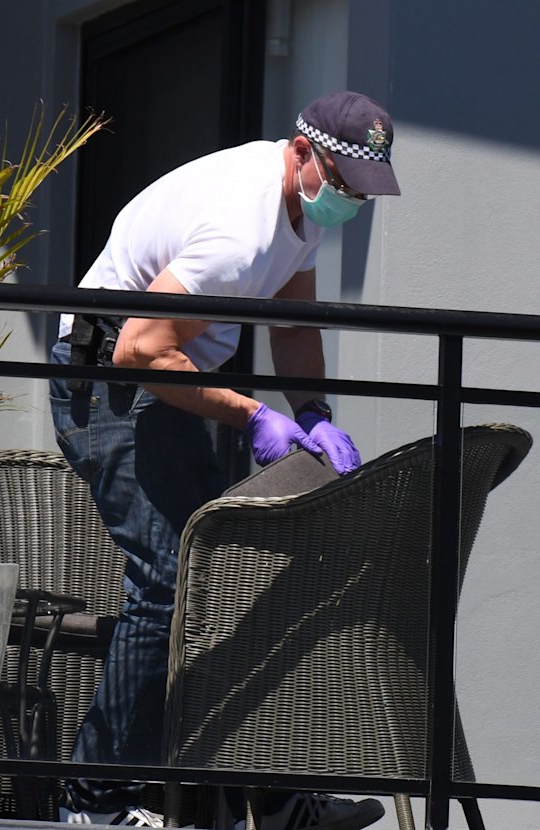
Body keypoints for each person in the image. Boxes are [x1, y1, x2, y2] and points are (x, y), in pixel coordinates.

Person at [50, 90, 400, 828]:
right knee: (172, 579)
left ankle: (268, 800)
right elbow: (140, 349)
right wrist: (254, 414)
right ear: (302, 151)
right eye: (344, 185)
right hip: (112, 374)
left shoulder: (297, 213)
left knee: (223, 577)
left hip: (164, 375)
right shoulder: (241, 227)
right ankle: (94, 803)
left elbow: (294, 329)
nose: (351, 204)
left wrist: (313, 413)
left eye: (363, 194)